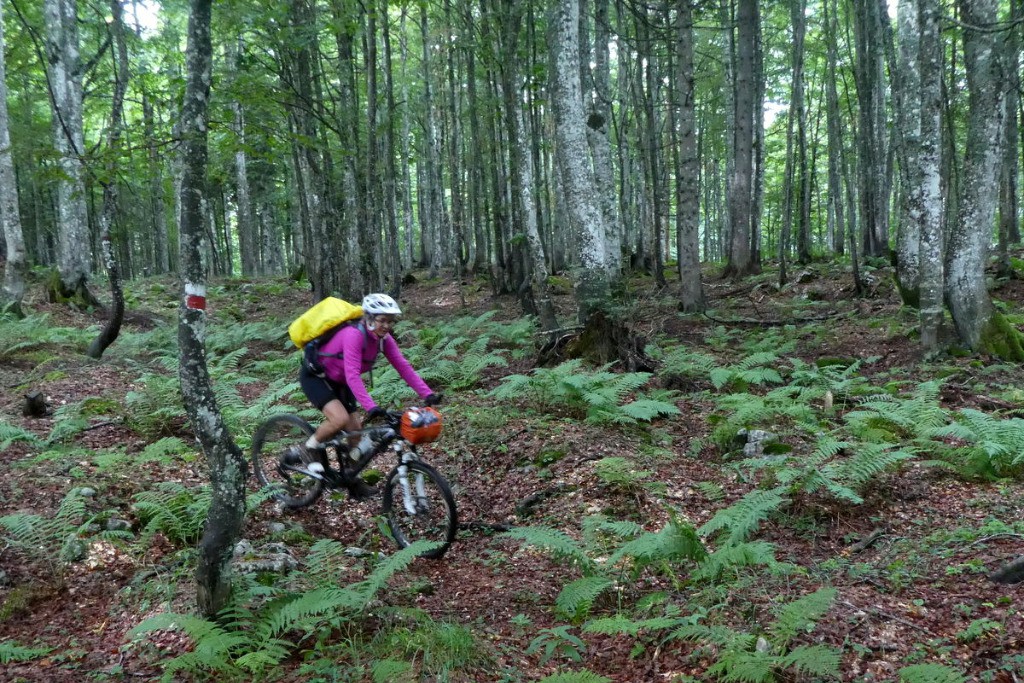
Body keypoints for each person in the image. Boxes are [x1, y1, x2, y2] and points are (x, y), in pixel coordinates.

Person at [285, 293, 441, 498]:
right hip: (317, 377)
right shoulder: (354, 335)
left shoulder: (384, 340)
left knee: (355, 432)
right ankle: (309, 448)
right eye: (382, 320)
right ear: (369, 318)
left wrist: (427, 393)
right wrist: (370, 406)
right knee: (339, 419)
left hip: (339, 381)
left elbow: (403, 366)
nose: (386, 326)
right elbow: (352, 374)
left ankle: (352, 480)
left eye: (390, 321)